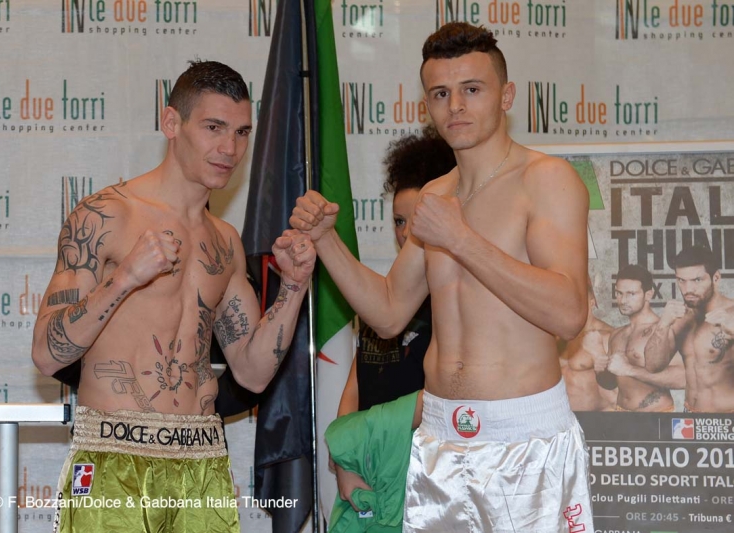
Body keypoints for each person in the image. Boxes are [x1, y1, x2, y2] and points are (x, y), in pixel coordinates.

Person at [292, 22, 593, 532]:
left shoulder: (546, 179)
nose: (455, 105)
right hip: (439, 440)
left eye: (471, 89)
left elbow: (568, 313)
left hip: (523, 442)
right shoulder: (435, 195)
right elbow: (389, 312)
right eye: (440, 93)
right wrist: (326, 241)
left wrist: (461, 239)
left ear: (506, 96)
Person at [31, 60, 316, 533]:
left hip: (202, 464)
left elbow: (252, 372)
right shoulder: (105, 216)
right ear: (171, 123)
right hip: (115, 459)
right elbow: (46, 354)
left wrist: (294, 286)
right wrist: (124, 278)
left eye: (242, 132)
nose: (230, 148)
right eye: (213, 127)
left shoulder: (224, 241)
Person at [333, 128, 455, 509]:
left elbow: (452, 396)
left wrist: (366, 436)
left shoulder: (458, 300)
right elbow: (354, 387)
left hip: (430, 479)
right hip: (367, 473)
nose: (407, 234)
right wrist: (344, 460)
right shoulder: (381, 295)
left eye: (418, 220)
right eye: (400, 221)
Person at [645, 245, 734, 412]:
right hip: (690, 413)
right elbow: (653, 366)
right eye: (681, 280)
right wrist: (663, 325)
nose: (688, 289)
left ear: (716, 278)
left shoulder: (732, 314)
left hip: (727, 418)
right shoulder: (680, 318)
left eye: (697, 280)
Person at [601, 265, 685, 411]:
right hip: (621, 412)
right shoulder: (616, 334)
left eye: (631, 294)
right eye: (619, 293)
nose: (623, 300)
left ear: (648, 295)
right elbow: (612, 382)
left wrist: (629, 369)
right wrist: (600, 369)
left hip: (655, 415)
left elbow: (682, 378)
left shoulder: (663, 330)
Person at [558, 276, 617, 411]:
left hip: (595, 418)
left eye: (578, 302)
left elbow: (618, 390)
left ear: (592, 303)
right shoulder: (558, 335)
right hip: (561, 417)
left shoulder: (607, 336)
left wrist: (598, 353)